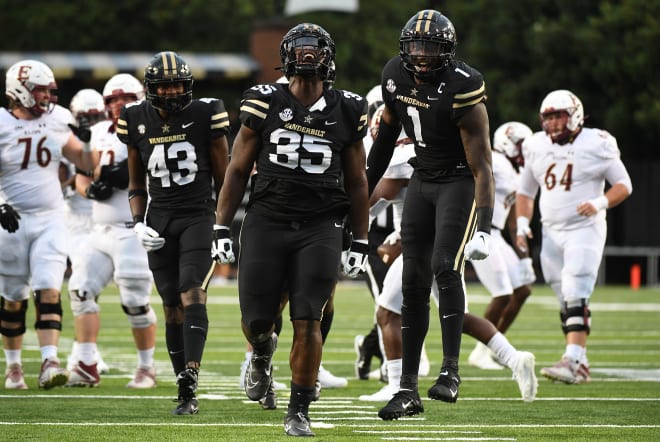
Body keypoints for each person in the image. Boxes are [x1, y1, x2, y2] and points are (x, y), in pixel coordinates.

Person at [212, 23, 369, 436]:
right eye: (299, 49)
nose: (307, 56)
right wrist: (221, 227)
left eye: (314, 49)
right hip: (267, 219)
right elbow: (238, 168)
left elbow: (356, 181)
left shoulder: (349, 108)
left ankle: (298, 409)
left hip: (321, 223)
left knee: (309, 317)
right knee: (257, 321)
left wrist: (362, 237)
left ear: (328, 56)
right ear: (286, 56)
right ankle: (262, 353)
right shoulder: (263, 101)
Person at [365, 10, 495, 420]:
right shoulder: (394, 77)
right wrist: (358, 197)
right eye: (415, 47)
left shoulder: (463, 86)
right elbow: (383, 143)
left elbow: (483, 166)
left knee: (444, 265)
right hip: (422, 177)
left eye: (430, 47)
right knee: (412, 282)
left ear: (447, 50)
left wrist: (485, 227)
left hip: (458, 181)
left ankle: (451, 371)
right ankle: (407, 390)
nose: (421, 55)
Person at [360, 111, 536, 405]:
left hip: (419, 246)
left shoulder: (405, 154)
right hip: (437, 241)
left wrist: (351, 223)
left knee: (387, 312)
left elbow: (377, 198)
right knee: (459, 317)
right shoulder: (429, 150)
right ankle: (515, 359)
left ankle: (395, 384)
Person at [120, 51, 230, 414]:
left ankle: (191, 375)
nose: (172, 92)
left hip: (198, 215)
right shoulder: (134, 118)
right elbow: (136, 184)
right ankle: (185, 391)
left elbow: (223, 177)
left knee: (192, 293)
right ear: (152, 88)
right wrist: (138, 224)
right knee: (170, 308)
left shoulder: (205, 113)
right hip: (159, 219)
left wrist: (221, 224)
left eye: (178, 84)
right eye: (165, 85)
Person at [516, 89, 632, 384]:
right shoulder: (535, 145)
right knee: (566, 300)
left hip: (585, 228)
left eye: (559, 116)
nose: (553, 123)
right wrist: (520, 223)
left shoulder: (597, 143)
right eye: (548, 117)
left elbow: (623, 184)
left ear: (575, 115)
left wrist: (599, 203)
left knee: (574, 290)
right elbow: (526, 191)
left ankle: (572, 360)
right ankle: (580, 362)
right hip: (551, 231)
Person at [1, 59, 96, 389]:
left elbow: (85, 164)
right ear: (19, 90)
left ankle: (49, 361)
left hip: (50, 218)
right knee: (13, 296)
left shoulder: (57, 120)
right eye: (39, 90)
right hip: (10, 219)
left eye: (48, 90)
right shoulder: (1, 123)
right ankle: (13, 367)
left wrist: (85, 142)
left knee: (48, 288)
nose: (46, 97)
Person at [65, 74, 158, 389]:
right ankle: (87, 363)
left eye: (126, 98)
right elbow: (81, 175)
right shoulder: (99, 133)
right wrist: (90, 191)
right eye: (112, 100)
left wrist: (125, 174)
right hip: (100, 229)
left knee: (134, 298)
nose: (119, 105)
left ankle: (147, 368)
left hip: (134, 228)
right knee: (80, 289)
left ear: (141, 98)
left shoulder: (151, 129)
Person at [468, 121, 536, 370]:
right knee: (503, 294)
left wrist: (525, 256)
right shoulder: (494, 159)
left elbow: (513, 219)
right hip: (480, 231)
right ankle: (482, 351)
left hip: (497, 234)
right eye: (521, 146)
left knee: (523, 291)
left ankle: (494, 347)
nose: (525, 152)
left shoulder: (516, 172)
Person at [63, 88, 110, 375]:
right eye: (86, 117)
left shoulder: (108, 135)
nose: (91, 122)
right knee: (82, 286)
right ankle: (82, 353)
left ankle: (84, 352)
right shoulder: (65, 138)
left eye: (95, 116)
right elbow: (57, 179)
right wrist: (75, 181)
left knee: (90, 289)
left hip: (101, 218)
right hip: (76, 220)